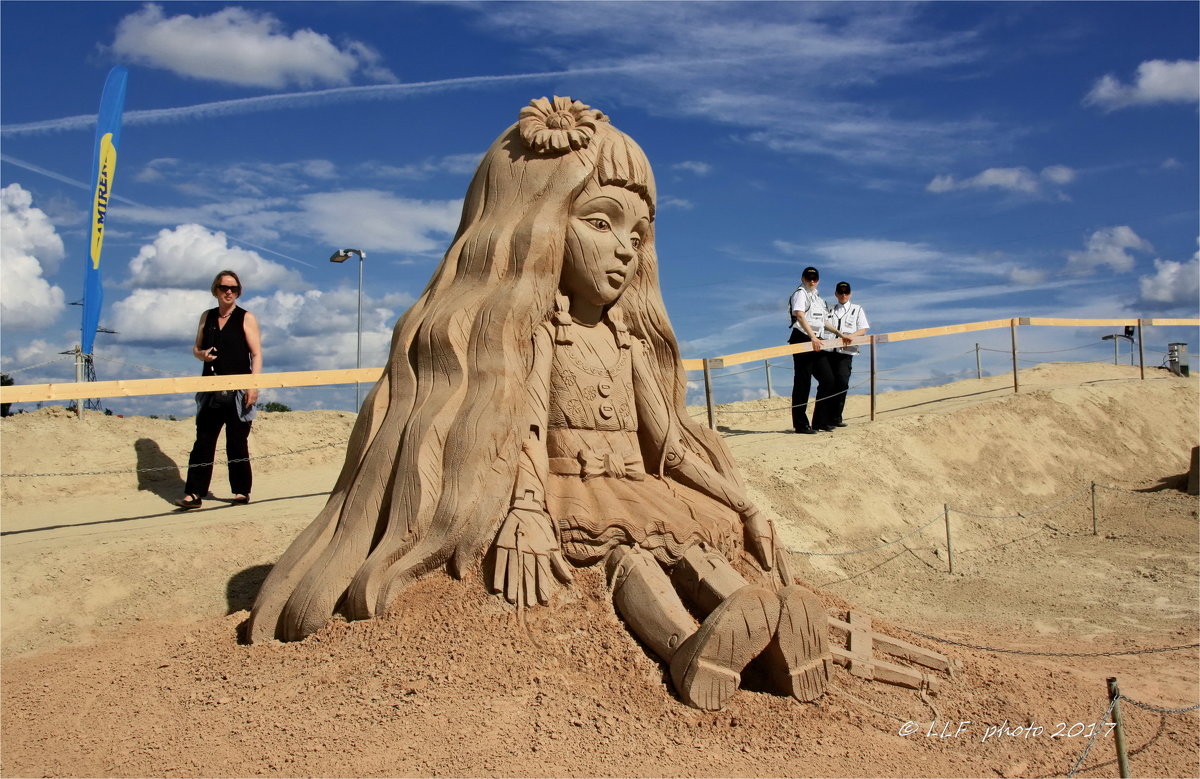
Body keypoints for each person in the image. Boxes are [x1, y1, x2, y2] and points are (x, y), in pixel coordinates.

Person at [247, 97, 830, 711]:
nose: (625, 249)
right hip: (568, 492)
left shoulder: (628, 341)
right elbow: (519, 424)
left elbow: (671, 445)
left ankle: (765, 626)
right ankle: (686, 648)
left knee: (690, 548)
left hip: (640, 487)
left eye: (638, 234)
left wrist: (746, 503)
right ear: (537, 222)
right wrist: (525, 506)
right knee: (629, 560)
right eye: (601, 223)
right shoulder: (541, 334)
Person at [175, 270, 262, 509]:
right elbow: (196, 348)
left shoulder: (246, 318)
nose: (229, 292)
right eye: (225, 287)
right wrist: (201, 354)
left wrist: (253, 386)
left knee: (237, 442)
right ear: (216, 289)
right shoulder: (208, 317)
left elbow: (256, 354)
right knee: (203, 442)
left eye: (234, 288)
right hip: (210, 389)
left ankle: (241, 491)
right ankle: (194, 493)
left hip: (239, 392)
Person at [787, 266, 836, 433]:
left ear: (818, 280)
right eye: (809, 278)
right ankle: (800, 424)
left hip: (816, 339)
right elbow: (799, 315)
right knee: (803, 381)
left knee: (828, 379)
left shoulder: (818, 298)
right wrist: (812, 337)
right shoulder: (800, 293)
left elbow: (824, 321)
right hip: (802, 337)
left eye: (814, 278)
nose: (812, 281)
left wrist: (839, 333)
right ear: (803, 279)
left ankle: (820, 421)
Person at [822, 281, 869, 428]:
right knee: (828, 384)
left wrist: (851, 336)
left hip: (846, 353)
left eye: (846, 292)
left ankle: (836, 417)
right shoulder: (828, 309)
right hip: (829, 352)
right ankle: (825, 419)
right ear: (836, 293)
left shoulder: (857, 309)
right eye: (840, 292)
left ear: (850, 294)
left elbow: (863, 328)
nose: (843, 295)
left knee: (842, 383)